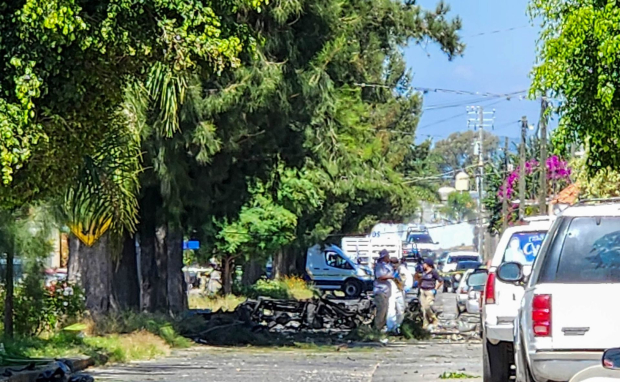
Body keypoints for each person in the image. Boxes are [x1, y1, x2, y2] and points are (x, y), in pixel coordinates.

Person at [418, 257, 443, 329]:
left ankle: (434, 318)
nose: (423, 265)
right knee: (423, 309)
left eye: (424, 263)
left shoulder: (433, 272)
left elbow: (440, 281)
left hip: (430, 291)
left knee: (427, 306)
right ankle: (425, 325)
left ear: (428, 264)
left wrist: (435, 289)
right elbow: (420, 280)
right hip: (423, 291)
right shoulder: (423, 272)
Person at [373, 249, 394, 331]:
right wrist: (390, 277)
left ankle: (382, 327)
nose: (389, 257)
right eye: (387, 256)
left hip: (386, 291)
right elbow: (380, 276)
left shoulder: (388, 265)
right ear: (384, 257)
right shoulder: (379, 266)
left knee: (385, 311)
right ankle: (377, 328)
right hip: (380, 291)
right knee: (381, 311)